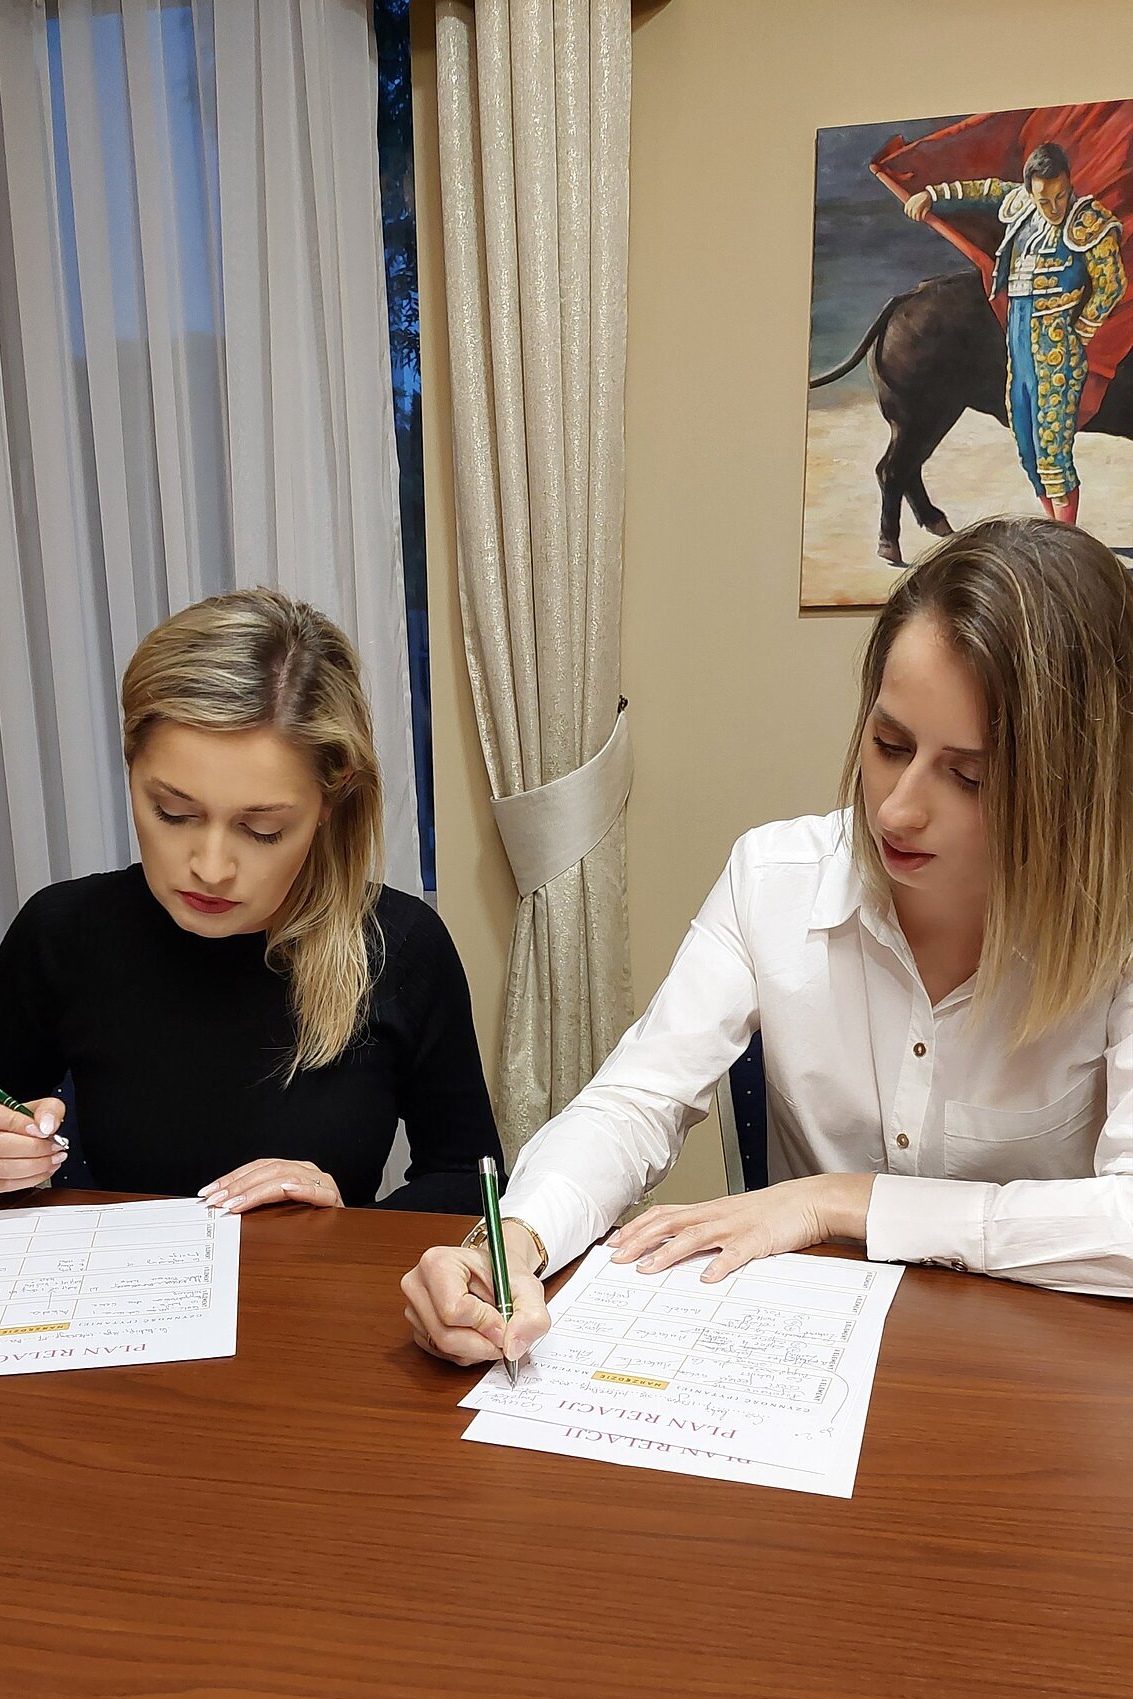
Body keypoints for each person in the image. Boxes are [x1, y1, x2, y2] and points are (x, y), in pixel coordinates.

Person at [402, 516, 1133, 1369]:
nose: (898, 809)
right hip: (801, 1353)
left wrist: (844, 1201)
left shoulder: (1117, 927)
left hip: (1039, 1369)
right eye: (889, 745)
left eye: (968, 777)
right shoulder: (774, 878)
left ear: (1072, 788)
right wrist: (515, 1238)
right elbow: (637, 1100)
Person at [0, 589, 502, 1213]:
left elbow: (470, 1179)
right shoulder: (63, 934)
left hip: (313, 1277)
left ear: (330, 800)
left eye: (262, 830)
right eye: (173, 813)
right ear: (131, 767)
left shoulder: (400, 946)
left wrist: (345, 1221)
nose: (209, 868)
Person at [904, 142, 1127, 523]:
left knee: (1052, 450)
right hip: (1019, 343)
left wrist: (1079, 331)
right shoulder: (1022, 202)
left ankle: (1063, 536)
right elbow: (985, 190)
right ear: (1030, 191)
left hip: (1056, 347)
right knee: (1027, 444)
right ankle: (1055, 529)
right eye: (1044, 199)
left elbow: (1111, 284)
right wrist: (933, 195)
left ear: (1069, 183)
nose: (1054, 208)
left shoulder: (1088, 220)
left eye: (1061, 195)